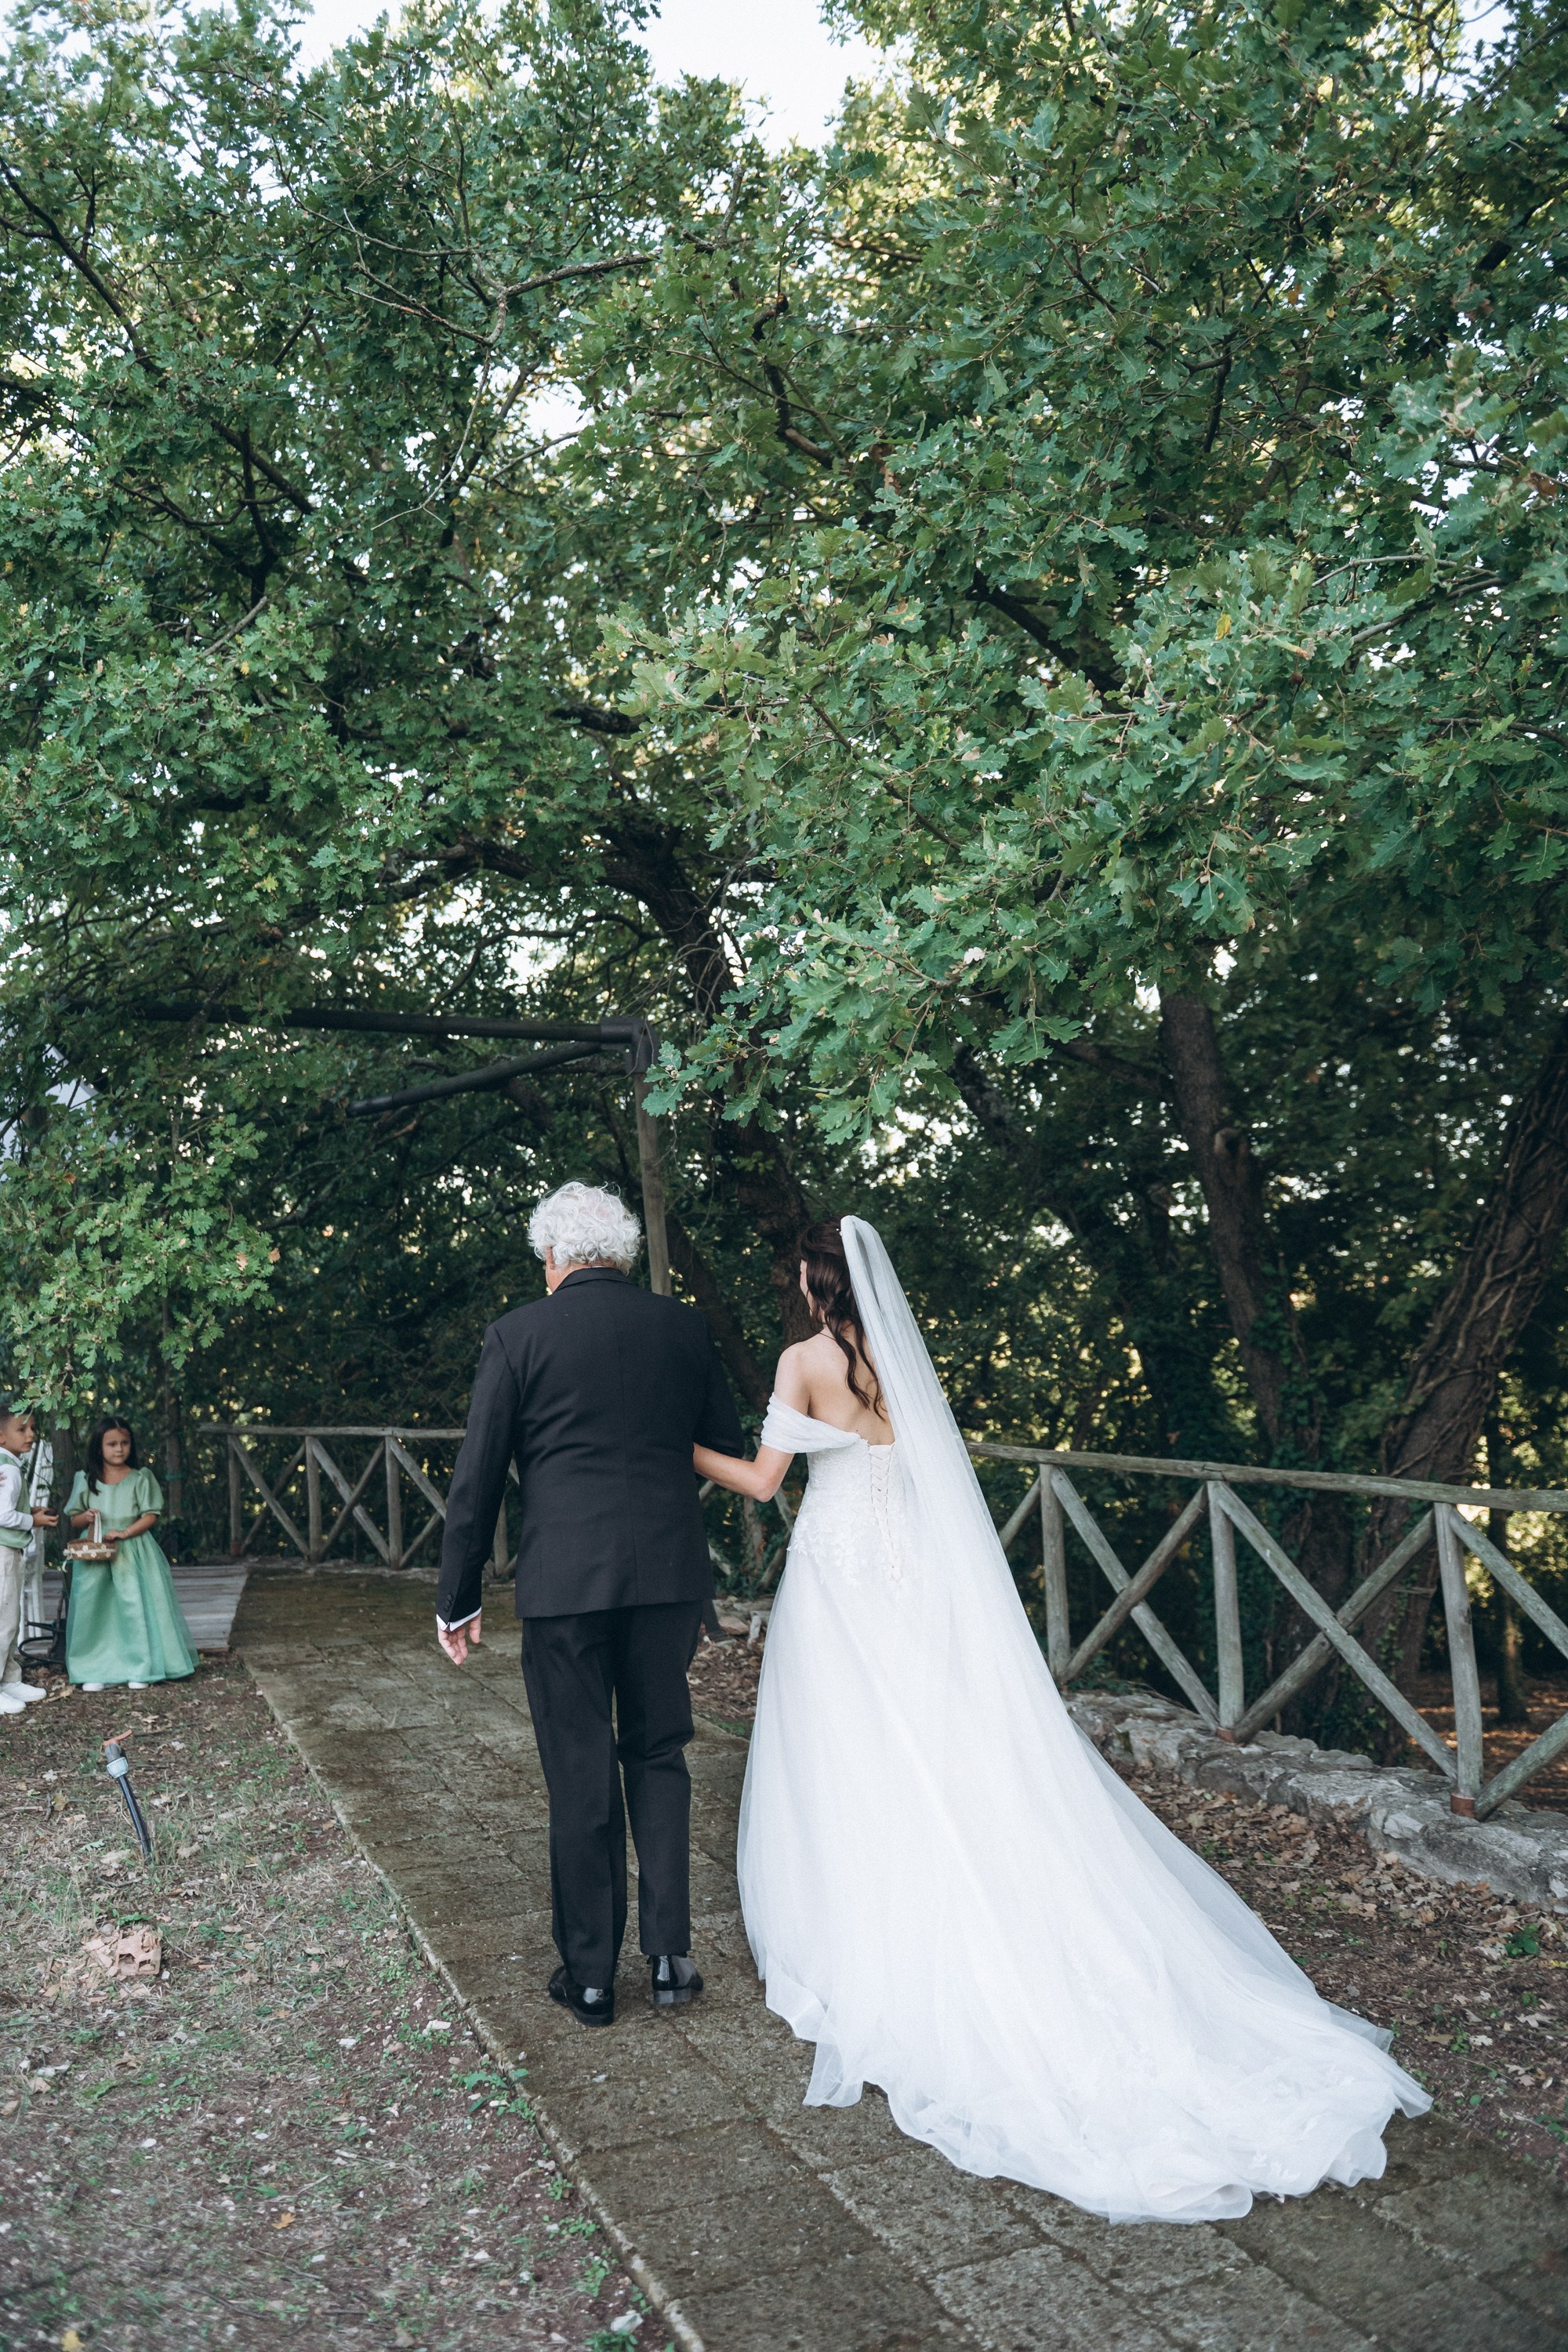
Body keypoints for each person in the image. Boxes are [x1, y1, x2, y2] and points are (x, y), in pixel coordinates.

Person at [694, 1214, 1431, 2227]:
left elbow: (762, 1482)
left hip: (838, 1583)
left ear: (814, 1286)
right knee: (942, 1746)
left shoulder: (801, 1361)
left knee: (846, 1753)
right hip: (911, 1583)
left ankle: (865, 1916)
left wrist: (679, 1450)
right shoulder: (898, 1362)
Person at [437, 1181, 744, 2028]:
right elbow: (721, 1444)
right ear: (621, 1252)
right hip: (667, 1578)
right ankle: (672, 1958)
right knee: (659, 1753)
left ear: (553, 1257)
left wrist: (458, 1596)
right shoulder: (682, 1328)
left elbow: (476, 1478)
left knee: (580, 1770)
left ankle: (593, 1978)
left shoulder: (518, 1335)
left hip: (565, 1584)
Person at [64, 1418, 198, 1692]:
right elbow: (74, 1519)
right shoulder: (87, 1479)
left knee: (133, 1607)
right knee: (96, 1609)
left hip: (132, 1550)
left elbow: (151, 1515)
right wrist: (85, 1517)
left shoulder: (140, 1478)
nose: (119, 1449)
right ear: (99, 1447)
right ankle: (94, 1668)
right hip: (96, 1553)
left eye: (124, 1443)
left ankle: (140, 1667)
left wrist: (125, 1532)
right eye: (112, 1444)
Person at [0, 1401, 56, 1716]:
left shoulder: (9, 1463)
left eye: (32, 1428)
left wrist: (29, 1510)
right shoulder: (8, 1468)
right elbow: (3, 1515)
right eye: (21, 1429)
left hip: (9, 1551)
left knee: (10, 1619)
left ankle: (9, 1679)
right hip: (4, 1553)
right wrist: (33, 1520)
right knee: (3, 1622)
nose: (31, 1434)